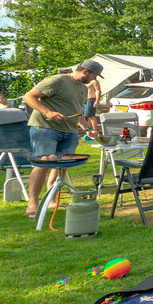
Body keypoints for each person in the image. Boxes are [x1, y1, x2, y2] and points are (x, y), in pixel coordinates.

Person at [23, 59, 102, 217]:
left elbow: (77, 111)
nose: (95, 80)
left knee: (62, 167)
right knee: (43, 163)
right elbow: (29, 97)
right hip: (46, 129)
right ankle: (32, 204)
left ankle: (52, 201)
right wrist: (48, 113)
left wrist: (87, 129)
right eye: (94, 76)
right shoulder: (57, 80)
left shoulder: (81, 88)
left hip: (69, 132)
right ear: (85, 71)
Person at [81, 72, 103, 140]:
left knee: (91, 116)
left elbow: (98, 91)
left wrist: (97, 100)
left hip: (91, 99)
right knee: (85, 116)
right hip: (84, 100)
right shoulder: (84, 82)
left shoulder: (94, 81)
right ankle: (89, 129)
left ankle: (94, 130)